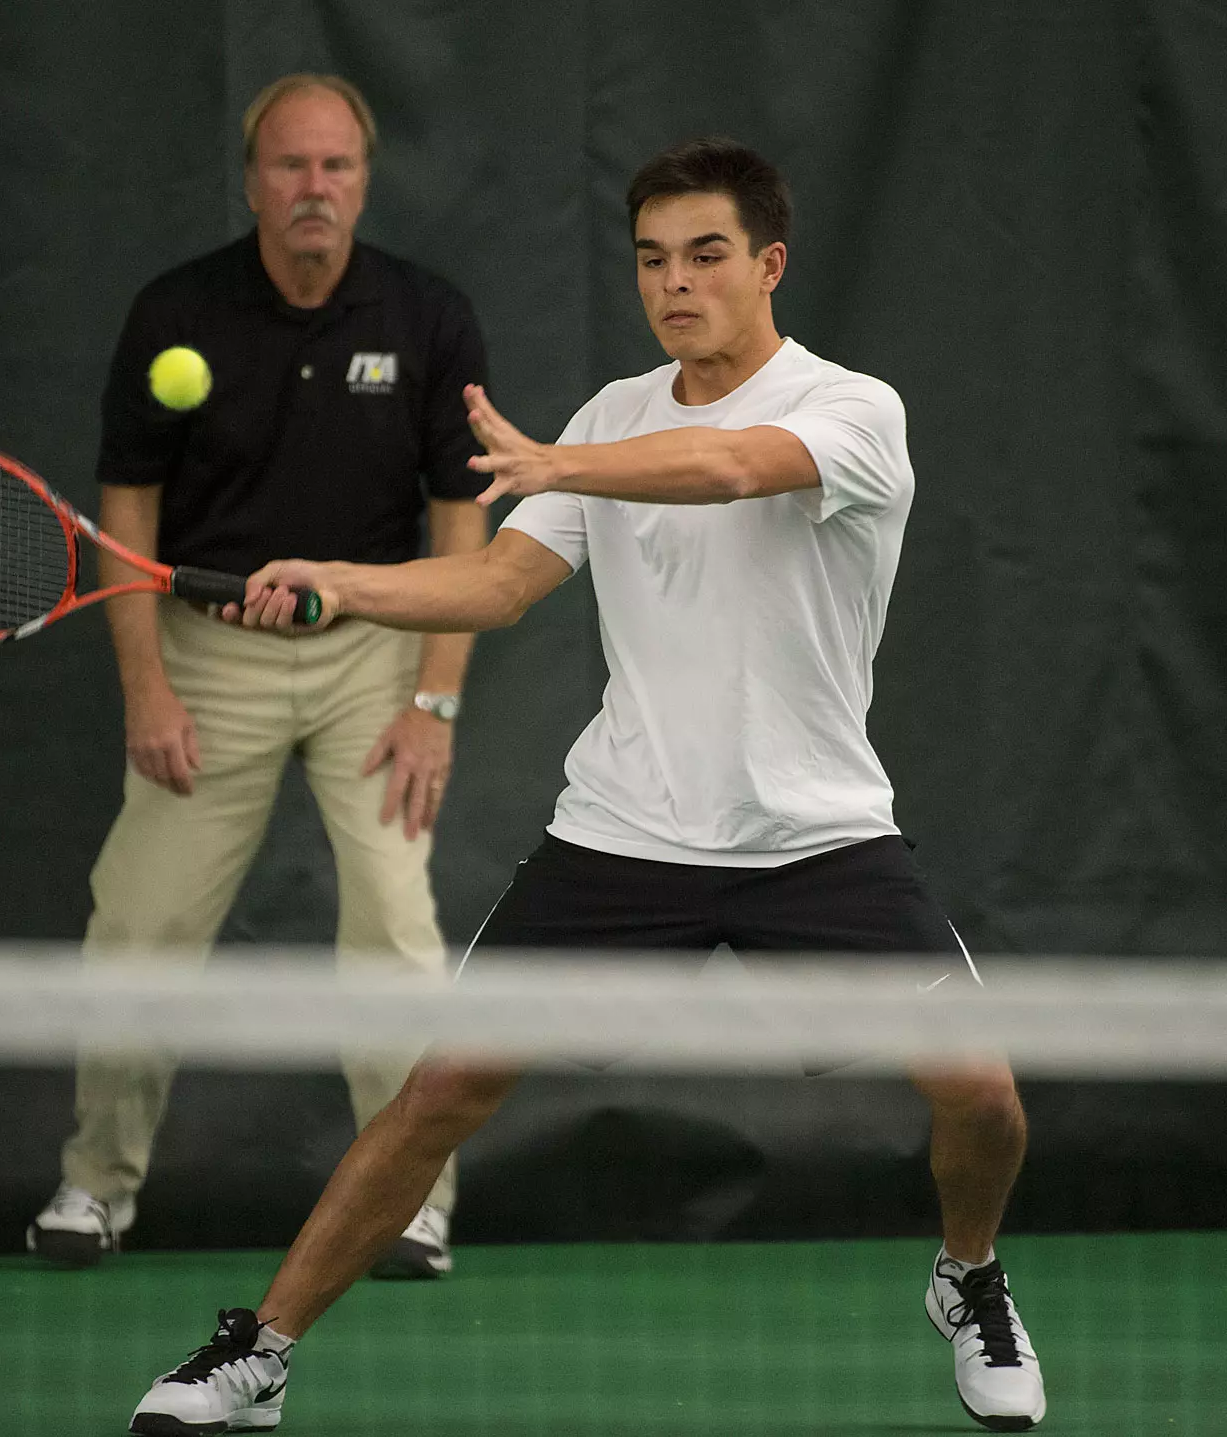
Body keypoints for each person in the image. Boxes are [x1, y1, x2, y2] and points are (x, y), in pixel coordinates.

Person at [125, 137, 1047, 1434]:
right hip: (624, 831)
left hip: (820, 831)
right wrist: (341, 583)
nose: (676, 283)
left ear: (770, 262)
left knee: (985, 1097)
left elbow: (729, 469)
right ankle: (259, 1351)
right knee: (441, 1089)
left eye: (707, 255)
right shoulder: (611, 414)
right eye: (654, 259)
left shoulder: (853, 406)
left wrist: (560, 464)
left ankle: (970, 1277)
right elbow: (498, 584)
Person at [26, 73, 490, 1281]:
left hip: (375, 654)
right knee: (138, 924)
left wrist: (433, 700)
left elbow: (462, 523)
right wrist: (146, 685)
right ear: (252, 181)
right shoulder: (176, 312)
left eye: (336, 167)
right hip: (207, 654)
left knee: (395, 926)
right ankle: (95, 1187)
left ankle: (412, 1203)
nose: (314, 190)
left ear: (364, 182)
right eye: (291, 167)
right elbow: (125, 511)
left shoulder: (429, 318)